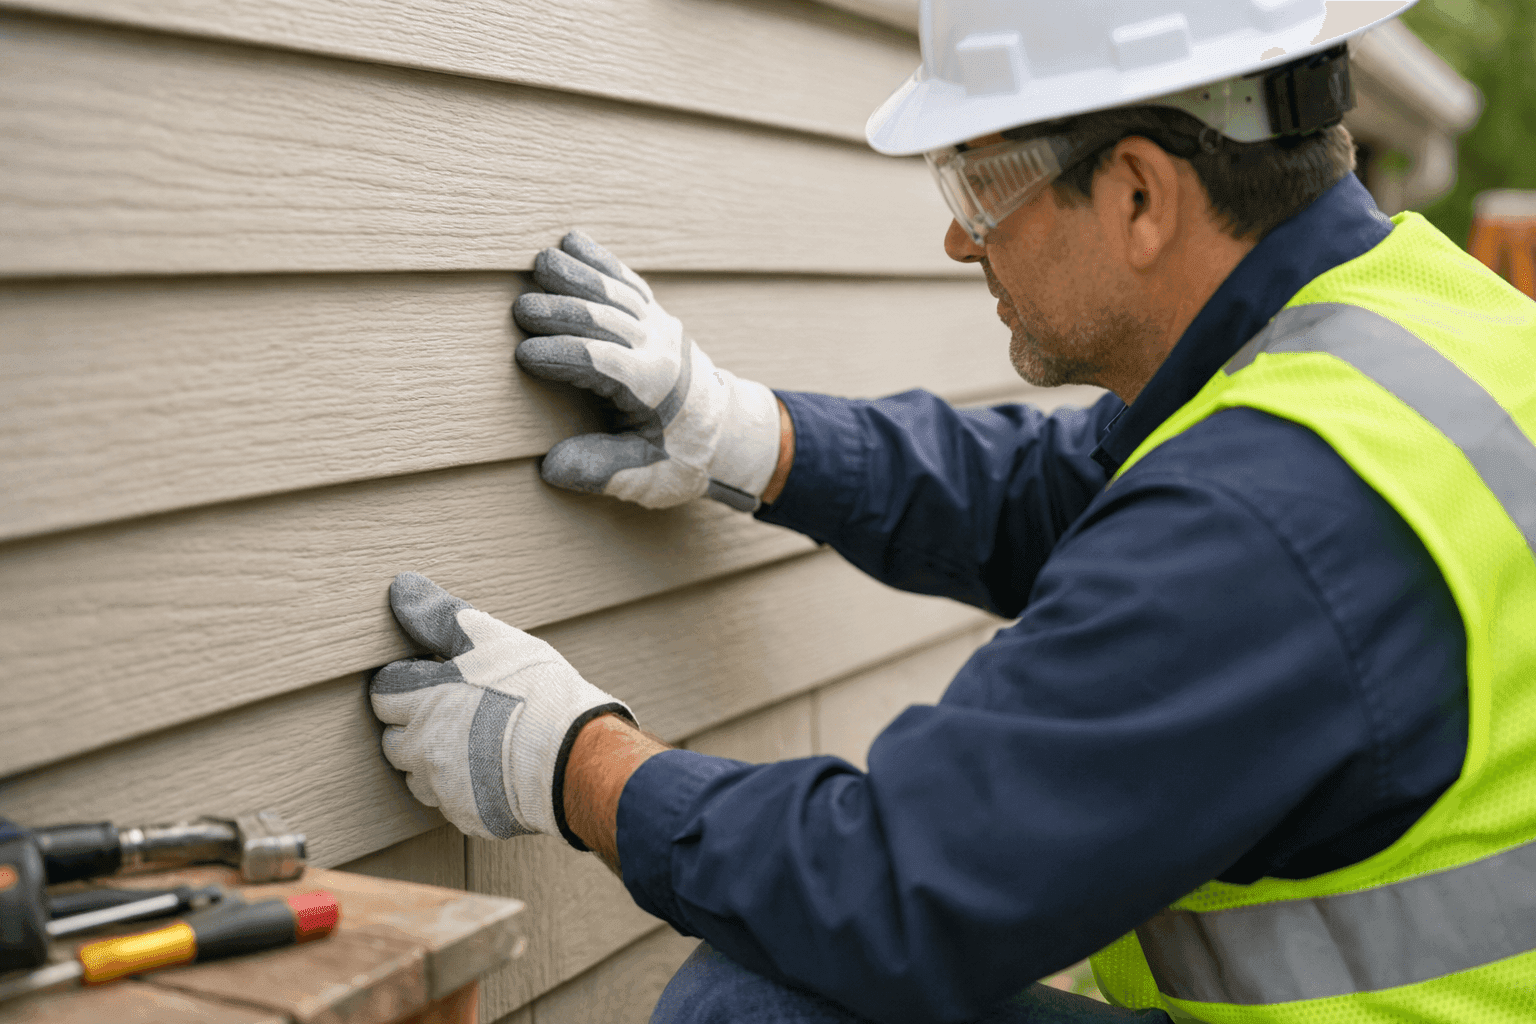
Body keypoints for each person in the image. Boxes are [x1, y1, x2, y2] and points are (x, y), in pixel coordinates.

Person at [367, 1, 1536, 1021]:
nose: (959, 234)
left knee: (756, 1009)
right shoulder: (1425, 330)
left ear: (1138, 193)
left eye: (980, 178)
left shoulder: (1273, 516)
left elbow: (895, 892)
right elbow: (1069, 490)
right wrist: (744, 433)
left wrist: (573, 759)